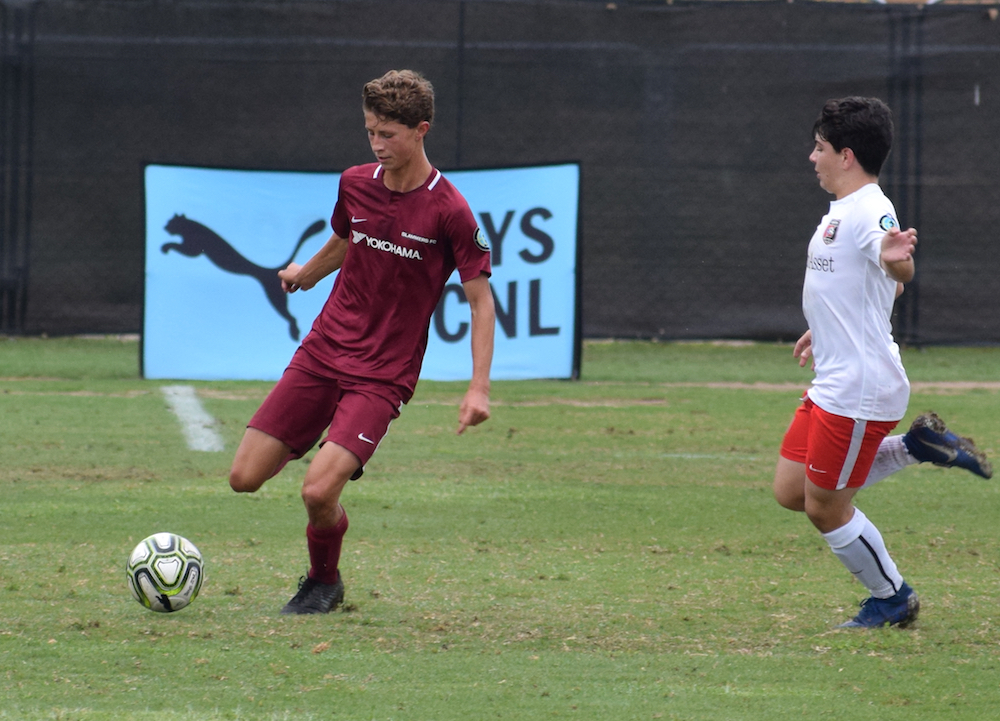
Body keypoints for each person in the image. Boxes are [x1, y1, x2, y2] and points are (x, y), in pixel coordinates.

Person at [228, 69, 496, 614]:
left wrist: (479, 388)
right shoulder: (355, 181)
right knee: (243, 478)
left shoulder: (450, 210)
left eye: (389, 134)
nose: (378, 144)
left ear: (421, 130)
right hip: (324, 350)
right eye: (371, 131)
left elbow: (480, 302)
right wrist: (307, 273)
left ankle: (323, 582)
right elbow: (349, 237)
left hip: (382, 373)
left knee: (317, 492)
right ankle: (341, 449)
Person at [772, 97, 992, 629]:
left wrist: (901, 260)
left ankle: (892, 597)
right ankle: (916, 447)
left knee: (825, 507)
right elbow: (864, 283)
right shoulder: (843, 210)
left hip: (859, 389)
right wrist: (823, 326)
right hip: (835, 378)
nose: (812, 157)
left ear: (846, 155)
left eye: (820, 148)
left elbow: (895, 263)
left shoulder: (871, 209)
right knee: (791, 491)